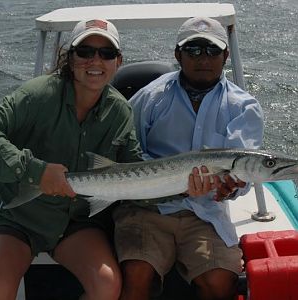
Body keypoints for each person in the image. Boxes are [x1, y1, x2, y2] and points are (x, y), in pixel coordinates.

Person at [113, 17, 264, 300]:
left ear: (226, 56)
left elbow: (241, 173)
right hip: (148, 209)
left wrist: (229, 187)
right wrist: (168, 181)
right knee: (136, 274)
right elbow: (125, 151)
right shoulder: (150, 97)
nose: (203, 58)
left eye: (212, 50)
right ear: (177, 54)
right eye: (193, 50)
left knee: (219, 282)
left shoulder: (243, 107)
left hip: (205, 212)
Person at [0, 19, 142, 300]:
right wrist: (35, 171)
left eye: (106, 53)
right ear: (70, 57)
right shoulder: (36, 95)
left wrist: (188, 185)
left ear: (118, 61)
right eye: (85, 51)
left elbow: (135, 170)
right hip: (21, 218)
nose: (95, 60)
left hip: (77, 222)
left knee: (107, 285)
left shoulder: (121, 112)